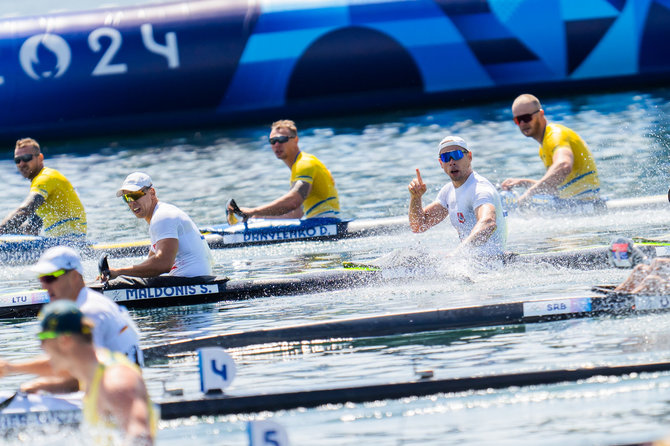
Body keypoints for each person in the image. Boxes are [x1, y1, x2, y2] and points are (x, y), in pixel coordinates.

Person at [0, 246, 142, 393]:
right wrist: (10, 368)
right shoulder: (86, 303)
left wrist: (36, 386)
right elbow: (68, 362)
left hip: (117, 398)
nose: (44, 286)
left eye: (50, 278)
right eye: (42, 279)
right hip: (112, 390)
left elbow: (78, 378)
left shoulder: (90, 312)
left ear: (74, 276)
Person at [37, 300, 155, 445]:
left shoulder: (116, 381)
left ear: (65, 340)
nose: (41, 347)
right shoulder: (90, 375)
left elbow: (141, 439)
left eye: (42, 339)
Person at [104, 172, 213, 285]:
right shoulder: (159, 217)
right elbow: (150, 265)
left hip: (193, 284)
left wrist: (119, 272)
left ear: (152, 192)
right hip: (191, 281)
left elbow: (163, 264)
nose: (132, 202)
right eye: (127, 198)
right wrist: (115, 274)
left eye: (135, 195)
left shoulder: (163, 216)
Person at [408, 135, 507, 259]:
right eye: (445, 158)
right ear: (441, 163)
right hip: (468, 262)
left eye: (457, 155)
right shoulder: (447, 191)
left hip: (492, 262)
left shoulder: (480, 189)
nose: (451, 162)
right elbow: (418, 226)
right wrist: (415, 198)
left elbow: (488, 223)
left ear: (469, 157)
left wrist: (458, 254)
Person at [501, 94, 601, 207]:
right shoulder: (543, 147)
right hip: (574, 204)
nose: (523, 123)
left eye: (526, 118)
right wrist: (524, 183)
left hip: (588, 205)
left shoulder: (555, 135)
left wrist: (529, 194)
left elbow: (564, 165)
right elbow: (556, 188)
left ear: (541, 114)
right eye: (518, 120)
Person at [227, 120, 340, 220]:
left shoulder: (304, 164)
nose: (277, 144)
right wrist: (258, 217)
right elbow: (295, 214)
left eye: (281, 139)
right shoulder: (299, 167)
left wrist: (253, 211)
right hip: (322, 221)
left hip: (325, 222)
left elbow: (293, 202)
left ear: (295, 140)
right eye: (272, 141)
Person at [0, 138, 87, 237]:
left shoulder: (45, 178)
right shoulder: (44, 189)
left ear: (40, 158)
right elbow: (31, 229)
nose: (21, 163)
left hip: (69, 243)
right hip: (62, 242)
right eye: (17, 160)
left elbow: (24, 210)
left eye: (26, 158)